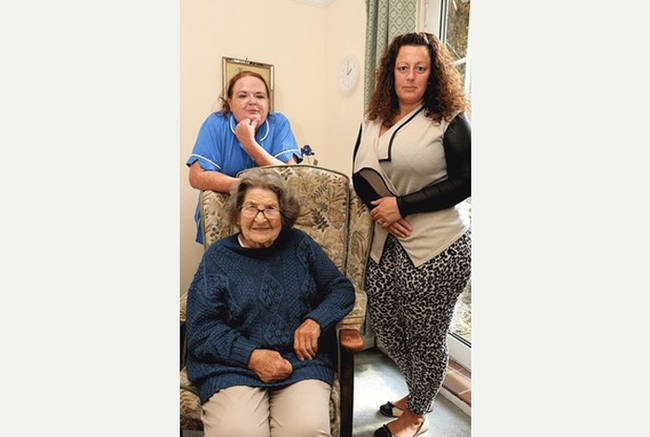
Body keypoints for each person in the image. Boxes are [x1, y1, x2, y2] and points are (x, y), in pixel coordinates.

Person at [352, 32, 471, 437]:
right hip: (388, 242)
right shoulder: (373, 117)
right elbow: (360, 173)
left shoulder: (450, 122)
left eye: (420, 69)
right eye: (403, 68)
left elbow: (466, 182)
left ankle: (417, 413)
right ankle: (420, 390)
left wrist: (402, 205)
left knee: (425, 336)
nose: (410, 76)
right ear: (391, 72)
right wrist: (381, 210)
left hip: (440, 246)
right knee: (385, 324)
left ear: (433, 74)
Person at [185, 168, 356, 437]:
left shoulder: (300, 245)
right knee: (237, 432)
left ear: (282, 215)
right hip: (234, 367)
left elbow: (341, 288)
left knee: (306, 430)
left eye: (270, 209)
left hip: (299, 363)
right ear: (238, 213)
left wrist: (315, 321)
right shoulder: (218, 257)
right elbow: (202, 329)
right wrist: (250, 356)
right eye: (252, 208)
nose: (261, 218)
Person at [187, 70, 302, 244]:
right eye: (243, 96)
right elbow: (197, 176)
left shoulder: (279, 123)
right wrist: (247, 190)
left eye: (260, 96)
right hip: (227, 213)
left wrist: (250, 144)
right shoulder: (216, 123)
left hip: (272, 216)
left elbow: (290, 176)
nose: (253, 101)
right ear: (230, 103)